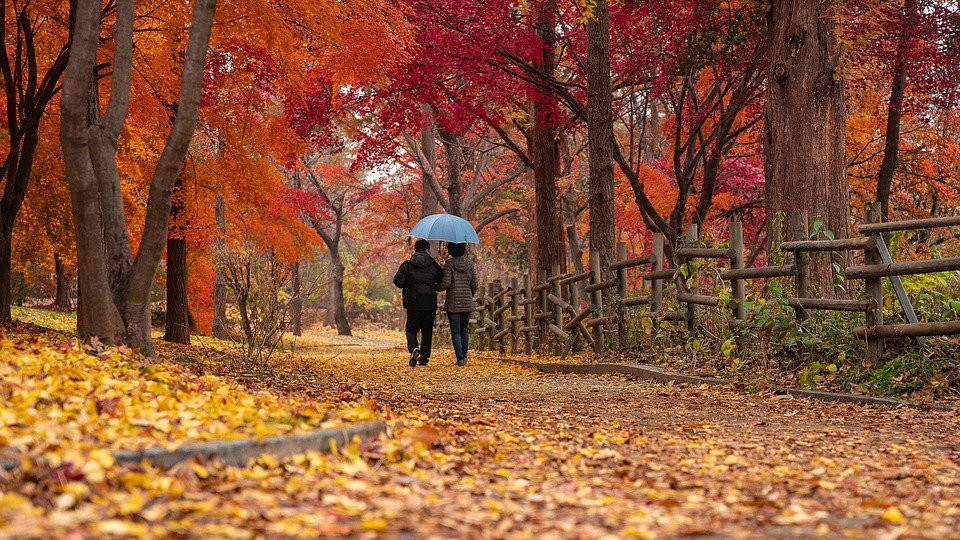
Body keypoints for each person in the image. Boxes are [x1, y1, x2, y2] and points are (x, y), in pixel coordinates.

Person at [393, 239, 443, 367]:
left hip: (413, 302)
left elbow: (398, 282)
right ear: (427, 250)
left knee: (411, 329)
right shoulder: (433, 265)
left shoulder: (407, 265)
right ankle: (424, 359)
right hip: (429, 302)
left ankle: (414, 348)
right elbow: (440, 279)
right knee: (427, 331)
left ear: (415, 250)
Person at [437, 242, 477, 366]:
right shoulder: (470, 264)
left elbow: (446, 283)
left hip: (453, 303)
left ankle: (460, 358)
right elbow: (474, 283)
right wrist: (470, 295)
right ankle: (464, 357)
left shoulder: (449, 264)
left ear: (451, 250)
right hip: (467, 302)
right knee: (464, 329)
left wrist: (436, 287)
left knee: (456, 331)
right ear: (463, 250)